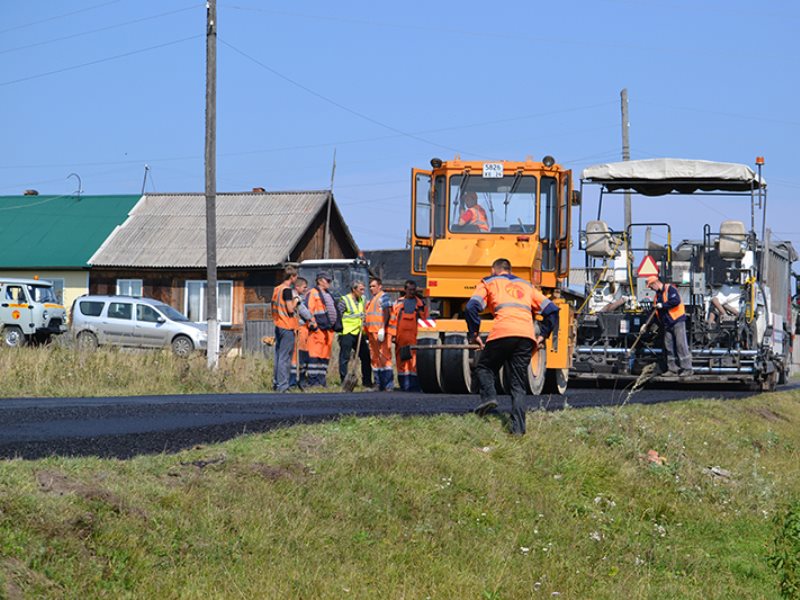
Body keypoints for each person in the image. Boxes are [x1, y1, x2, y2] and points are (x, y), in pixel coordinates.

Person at [466, 258, 559, 435]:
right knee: (518, 386)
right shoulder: (527, 286)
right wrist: (542, 336)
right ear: (509, 270)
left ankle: (489, 398)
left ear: (494, 269)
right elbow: (552, 310)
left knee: (485, 367)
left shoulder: (489, 282)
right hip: (525, 337)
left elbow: (471, 307)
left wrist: (474, 334)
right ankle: (518, 431)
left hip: (502, 333)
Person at [646, 275, 693, 376]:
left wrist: (663, 305)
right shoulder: (657, 296)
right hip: (667, 324)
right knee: (669, 347)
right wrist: (646, 325)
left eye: (650, 286)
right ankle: (672, 369)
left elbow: (675, 301)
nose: (650, 288)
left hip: (677, 321)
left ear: (655, 283)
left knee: (681, 345)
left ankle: (687, 368)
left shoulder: (670, 289)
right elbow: (654, 312)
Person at [391, 279, 426, 391]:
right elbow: (393, 319)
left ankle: (414, 385)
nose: (412, 292)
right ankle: (404, 384)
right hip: (400, 337)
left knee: (414, 360)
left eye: (413, 290)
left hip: (414, 337)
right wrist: (392, 335)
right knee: (401, 360)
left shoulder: (420, 304)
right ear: (405, 290)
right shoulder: (398, 303)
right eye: (410, 290)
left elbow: (425, 321)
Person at [337, 280, 372, 388]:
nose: (363, 291)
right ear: (354, 289)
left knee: (365, 356)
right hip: (347, 332)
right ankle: (344, 380)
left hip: (359, 332)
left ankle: (367, 382)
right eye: (361, 289)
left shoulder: (362, 300)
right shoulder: (345, 300)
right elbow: (339, 315)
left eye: (363, 289)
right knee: (345, 357)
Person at [271, 266, 298, 392]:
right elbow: (290, 309)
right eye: (295, 276)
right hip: (287, 325)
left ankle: (277, 383)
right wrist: (296, 300)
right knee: (284, 357)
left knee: (278, 356)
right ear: (291, 277)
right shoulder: (287, 290)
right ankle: (283, 385)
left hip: (278, 324)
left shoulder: (277, 289)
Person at [306, 272, 337, 386]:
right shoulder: (313, 293)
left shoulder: (328, 294)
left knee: (324, 356)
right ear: (319, 281)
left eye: (329, 281)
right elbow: (309, 310)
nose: (329, 283)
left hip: (328, 330)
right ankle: (313, 381)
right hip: (318, 330)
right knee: (315, 355)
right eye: (327, 280)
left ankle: (322, 380)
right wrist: (313, 325)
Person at [365, 277, 394, 391]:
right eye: (370, 286)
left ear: (379, 286)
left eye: (373, 286)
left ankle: (388, 384)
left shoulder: (383, 297)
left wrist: (383, 328)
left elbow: (387, 312)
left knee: (384, 357)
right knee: (375, 358)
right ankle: (378, 383)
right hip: (372, 332)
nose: (371, 288)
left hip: (380, 332)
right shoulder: (372, 299)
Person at [290, 277, 314, 388]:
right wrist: (311, 318)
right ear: (297, 287)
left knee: (301, 355)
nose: (306, 289)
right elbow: (305, 313)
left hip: (302, 329)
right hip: (299, 328)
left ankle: (298, 379)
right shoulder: (296, 298)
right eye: (304, 287)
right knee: (297, 356)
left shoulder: (298, 297)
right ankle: (294, 381)